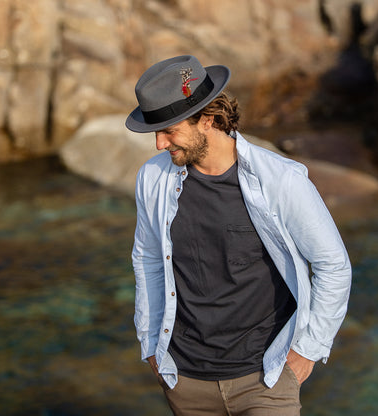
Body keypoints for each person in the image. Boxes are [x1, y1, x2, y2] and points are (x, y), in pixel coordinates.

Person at [126, 55, 352, 416]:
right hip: (186, 381)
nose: (159, 144)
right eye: (156, 132)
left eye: (169, 130)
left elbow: (333, 266)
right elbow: (148, 259)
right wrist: (151, 344)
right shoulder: (153, 179)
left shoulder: (281, 181)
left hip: (266, 379)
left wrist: (308, 350)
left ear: (207, 119)